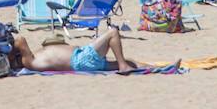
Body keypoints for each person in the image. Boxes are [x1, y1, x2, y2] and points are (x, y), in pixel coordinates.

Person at [10, 26, 145, 74]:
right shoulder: (29, 62)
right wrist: (8, 50)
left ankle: (155, 67)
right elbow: (20, 40)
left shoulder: (33, 59)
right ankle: (123, 67)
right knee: (113, 32)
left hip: (83, 60)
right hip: (81, 59)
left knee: (131, 62)